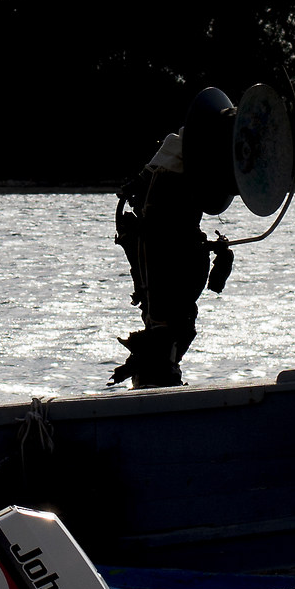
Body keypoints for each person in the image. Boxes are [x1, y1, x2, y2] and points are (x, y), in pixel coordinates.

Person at [111, 87, 238, 388]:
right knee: (164, 323)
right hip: (162, 248)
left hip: (170, 247)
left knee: (168, 323)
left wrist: (216, 254)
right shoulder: (174, 162)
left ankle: (158, 374)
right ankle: (157, 376)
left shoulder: (181, 161)